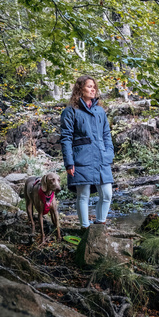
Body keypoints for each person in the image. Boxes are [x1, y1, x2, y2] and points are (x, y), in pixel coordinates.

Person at [60, 76, 114, 229]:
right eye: (89, 86)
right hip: (81, 159)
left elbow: (106, 135)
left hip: (102, 157)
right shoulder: (70, 111)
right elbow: (66, 138)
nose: (93, 89)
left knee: (107, 194)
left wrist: (109, 153)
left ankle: (100, 224)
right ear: (80, 89)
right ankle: (85, 228)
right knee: (83, 195)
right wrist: (69, 162)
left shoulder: (100, 111)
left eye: (94, 87)